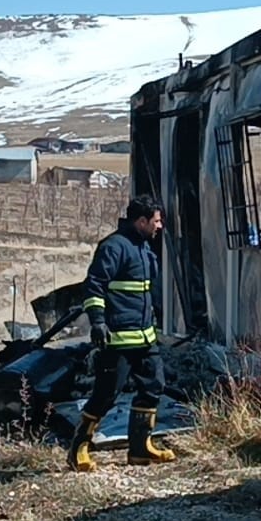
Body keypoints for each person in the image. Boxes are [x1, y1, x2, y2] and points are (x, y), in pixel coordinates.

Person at [69, 195, 175, 472]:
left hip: (145, 339)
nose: (160, 226)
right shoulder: (114, 247)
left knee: (153, 387)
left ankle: (140, 449)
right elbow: (94, 287)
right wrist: (97, 321)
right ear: (141, 221)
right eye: (156, 220)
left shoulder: (144, 248)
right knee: (105, 395)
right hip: (117, 340)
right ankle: (79, 447)